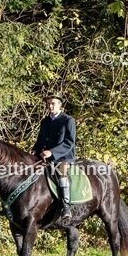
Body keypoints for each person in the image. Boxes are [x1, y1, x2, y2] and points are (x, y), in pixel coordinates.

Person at [31, 94, 77, 224]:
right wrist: (36, 149)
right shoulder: (45, 121)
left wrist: (52, 152)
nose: (50, 106)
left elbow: (69, 142)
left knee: (61, 174)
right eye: (48, 104)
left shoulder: (68, 120)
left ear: (60, 105)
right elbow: (40, 139)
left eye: (53, 103)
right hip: (44, 156)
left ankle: (66, 207)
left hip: (63, 157)